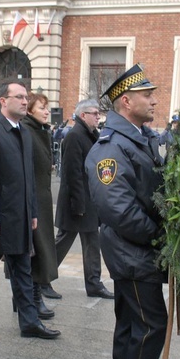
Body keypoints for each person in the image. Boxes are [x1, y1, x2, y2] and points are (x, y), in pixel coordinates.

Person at [85, 64, 169, 359]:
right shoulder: (110, 148)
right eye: (147, 94)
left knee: (133, 324)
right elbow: (120, 210)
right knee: (150, 324)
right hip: (133, 253)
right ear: (125, 101)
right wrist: (162, 238)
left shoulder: (139, 137)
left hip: (140, 251)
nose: (153, 100)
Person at [0, 81, 61, 340]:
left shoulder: (23, 133)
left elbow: (28, 179)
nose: (24, 101)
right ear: (3, 101)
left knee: (23, 270)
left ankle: (29, 322)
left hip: (20, 217)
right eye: (18, 97)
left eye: (26, 97)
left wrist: (33, 213)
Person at [53, 99, 114, 299]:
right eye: (94, 113)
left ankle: (94, 283)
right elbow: (72, 174)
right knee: (63, 242)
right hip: (77, 201)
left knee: (92, 243)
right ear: (82, 115)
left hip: (89, 200)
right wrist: (78, 205)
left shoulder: (92, 135)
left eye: (98, 113)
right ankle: (40, 278)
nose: (98, 116)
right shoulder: (74, 136)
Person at [21, 92, 59, 318]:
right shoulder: (27, 131)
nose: (47, 112)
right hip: (32, 202)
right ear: (29, 111)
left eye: (47, 107)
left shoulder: (40, 131)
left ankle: (31, 299)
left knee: (39, 251)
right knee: (34, 252)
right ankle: (32, 300)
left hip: (41, 201)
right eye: (42, 107)